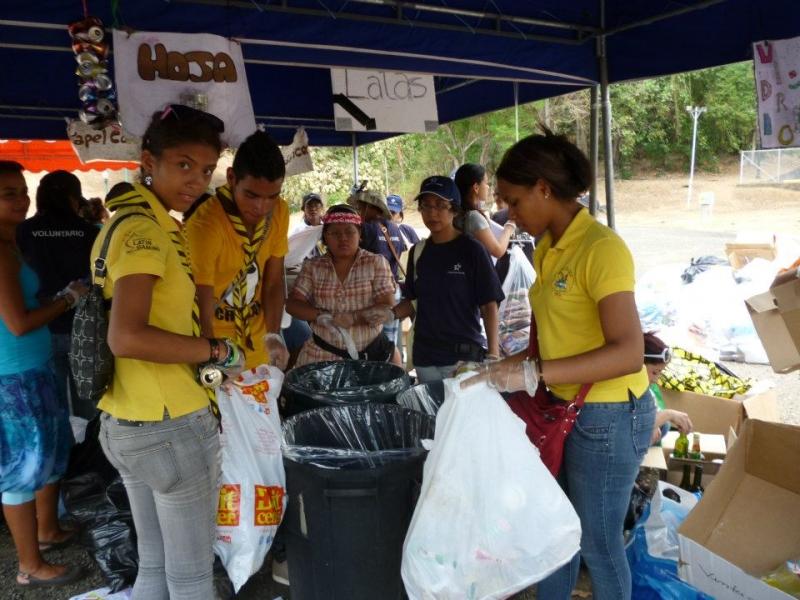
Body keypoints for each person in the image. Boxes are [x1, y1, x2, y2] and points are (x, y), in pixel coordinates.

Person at [464, 129, 655, 600]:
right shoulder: (548, 246)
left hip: (611, 415)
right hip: (564, 409)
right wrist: (493, 368)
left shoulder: (601, 249)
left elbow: (629, 351)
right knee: (554, 530)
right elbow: (548, 341)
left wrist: (535, 375)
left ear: (544, 189)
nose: (509, 212)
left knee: (596, 541)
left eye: (514, 200)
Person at [94, 104, 245, 600]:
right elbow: (127, 337)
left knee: (156, 565)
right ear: (148, 160)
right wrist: (214, 349)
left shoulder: (143, 221)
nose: (196, 180)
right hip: (167, 424)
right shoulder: (143, 232)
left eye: (205, 170)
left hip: (127, 420)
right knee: (191, 576)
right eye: (183, 164)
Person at [0, 160, 86, 589]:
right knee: (21, 468)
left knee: (53, 451)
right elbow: (18, 322)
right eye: (8, 193)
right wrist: (69, 298)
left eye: (21, 189)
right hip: (13, 376)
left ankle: (48, 530)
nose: (20, 198)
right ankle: (28, 565)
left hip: (36, 366)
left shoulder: (14, 241)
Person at [186, 130, 290, 372]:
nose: (261, 207)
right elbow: (202, 299)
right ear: (232, 178)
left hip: (257, 346)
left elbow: (273, 283)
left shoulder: (280, 212)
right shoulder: (206, 224)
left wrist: (273, 336)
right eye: (251, 195)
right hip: (217, 346)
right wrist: (211, 356)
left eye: (271, 197)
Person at [393, 176, 503, 382]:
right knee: (433, 414)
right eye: (425, 206)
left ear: (454, 209)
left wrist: (493, 356)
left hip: (463, 361)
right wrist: (388, 315)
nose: (432, 213)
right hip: (425, 359)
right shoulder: (418, 252)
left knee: (462, 414)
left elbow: (489, 305)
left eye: (440, 206)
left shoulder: (472, 249)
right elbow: (412, 301)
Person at [16, 170, 99, 419]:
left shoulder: (21, 232)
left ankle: (65, 454)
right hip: (85, 329)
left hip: (40, 328)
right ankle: (89, 456)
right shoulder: (91, 232)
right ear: (74, 199)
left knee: (52, 409)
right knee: (89, 408)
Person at [286, 204, 399, 367]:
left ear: (359, 234)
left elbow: (387, 306)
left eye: (349, 231)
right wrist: (320, 316)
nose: (343, 238)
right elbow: (293, 304)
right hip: (321, 356)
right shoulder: (313, 266)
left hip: (369, 358)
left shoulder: (375, 262)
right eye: (335, 233)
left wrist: (354, 317)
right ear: (325, 237)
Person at [351, 189, 406, 346]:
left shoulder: (366, 229)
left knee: (374, 345)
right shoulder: (395, 228)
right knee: (390, 344)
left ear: (372, 207)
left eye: (361, 207)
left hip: (374, 296)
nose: (359, 211)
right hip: (394, 291)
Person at [454, 163, 516, 261]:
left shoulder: (457, 213)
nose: (488, 188)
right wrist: (509, 227)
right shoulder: (473, 217)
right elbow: (498, 251)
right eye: (486, 183)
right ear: (476, 188)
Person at [644, 331, 692, 444]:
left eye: (660, 373)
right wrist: (668, 414)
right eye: (654, 372)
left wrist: (655, 423)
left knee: (664, 425)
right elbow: (633, 426)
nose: (656, 380)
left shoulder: (646, 391)